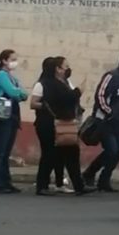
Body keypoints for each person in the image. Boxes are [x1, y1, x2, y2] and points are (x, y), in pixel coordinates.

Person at [82, 51, 119, 192]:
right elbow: (100, 95)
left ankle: (104, 180)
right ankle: (90, 173)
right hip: (105, 121)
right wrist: (108, 112)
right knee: (111, 150)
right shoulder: (112, 76)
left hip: (118, 123)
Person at [41, 56, 94, 196]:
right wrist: (79, 90)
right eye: (65, 67)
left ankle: (79, 185)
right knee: (51, 156)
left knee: (71, 154)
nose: (68, 69)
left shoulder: (63, 82)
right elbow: (66, 99)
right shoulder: (51, 84)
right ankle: (42, 185)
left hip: (67, 123)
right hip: (58, 124)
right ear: (58, 69)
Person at [31, 57, 72, 195]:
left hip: (60, 123)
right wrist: (47, 105)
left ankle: (59, 182)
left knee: (58, 154)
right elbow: (33, 103)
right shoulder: (42, 84)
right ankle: (42, 185)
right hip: (45, 123)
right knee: (48, 154)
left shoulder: (64, 83)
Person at [0, 49, 28, 194]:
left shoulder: (11, 77)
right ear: (4, 60)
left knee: (6, 151)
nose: (14, 62)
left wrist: (20, 93)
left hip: (11, 114)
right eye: (12, 59)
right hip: (2, 114)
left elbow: (22, 93)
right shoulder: (1, 75)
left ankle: (6, 181)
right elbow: (14, 92)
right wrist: (19, 93)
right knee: (0, 150)